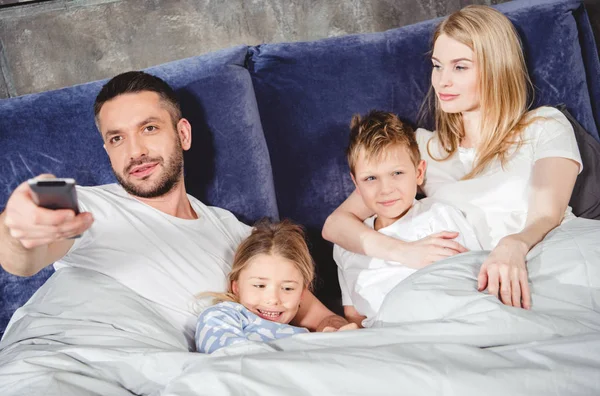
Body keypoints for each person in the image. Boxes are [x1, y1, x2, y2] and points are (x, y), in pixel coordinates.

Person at [0, 71, 355, 349]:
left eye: (149, 128)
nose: (135, 151)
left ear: (182, 134)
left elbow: (307, 307)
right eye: (117, 138)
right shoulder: (86, 204)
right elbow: (23, 250)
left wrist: (336, 329)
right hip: (57, 356)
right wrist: (18, 227)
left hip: (158, 374)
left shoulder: (235, 231)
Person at [322, 5, 582, 310]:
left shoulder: (544, 126)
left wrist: (514, 244)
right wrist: (402, 252)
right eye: (437, 65)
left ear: (497, 68)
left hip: (545, 257)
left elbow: (546, 216)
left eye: (460, 67)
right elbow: (336, 224)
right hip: (473, 285)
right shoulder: (422, 147)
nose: (442, 81)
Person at [334, 110, 481, 327]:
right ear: (356, 184)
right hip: (382, 337)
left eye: (397, 173)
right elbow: (354, 315)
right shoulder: (346, 243)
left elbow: (476, 279)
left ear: (419, 172)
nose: (386, 189)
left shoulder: (438, 216)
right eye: (371, 178)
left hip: (438, 325)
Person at [196, 220, 315, 354]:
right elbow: (227, 355)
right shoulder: (221, 316)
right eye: (259, 285)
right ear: (236, 287)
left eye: (287, 288)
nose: (273, 299)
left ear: (302, 294)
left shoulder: (303, 335)